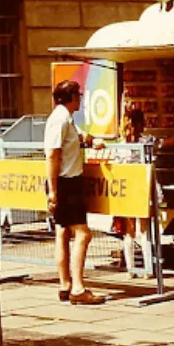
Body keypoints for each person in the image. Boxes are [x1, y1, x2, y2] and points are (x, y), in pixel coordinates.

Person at [44, 80, 106, 305]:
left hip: (64, 182)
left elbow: (79, 136)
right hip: (65, 183)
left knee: (62, 232)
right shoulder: (60, 120)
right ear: (70, 98)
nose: (80, 99)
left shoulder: (65, 119)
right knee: (83, 234)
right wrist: (53, 190)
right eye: (78, 96)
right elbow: (53, 155)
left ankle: (65, 284)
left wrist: (92, 140)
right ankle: (78, 288)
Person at [112, 106, 155, 278]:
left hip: (126, 189)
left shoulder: (119, 146)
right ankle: (148, 269)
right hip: (142, 189)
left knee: (128, 232)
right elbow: (166, 143)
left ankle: (131, 268)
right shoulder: (147, 141)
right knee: (144, 231)